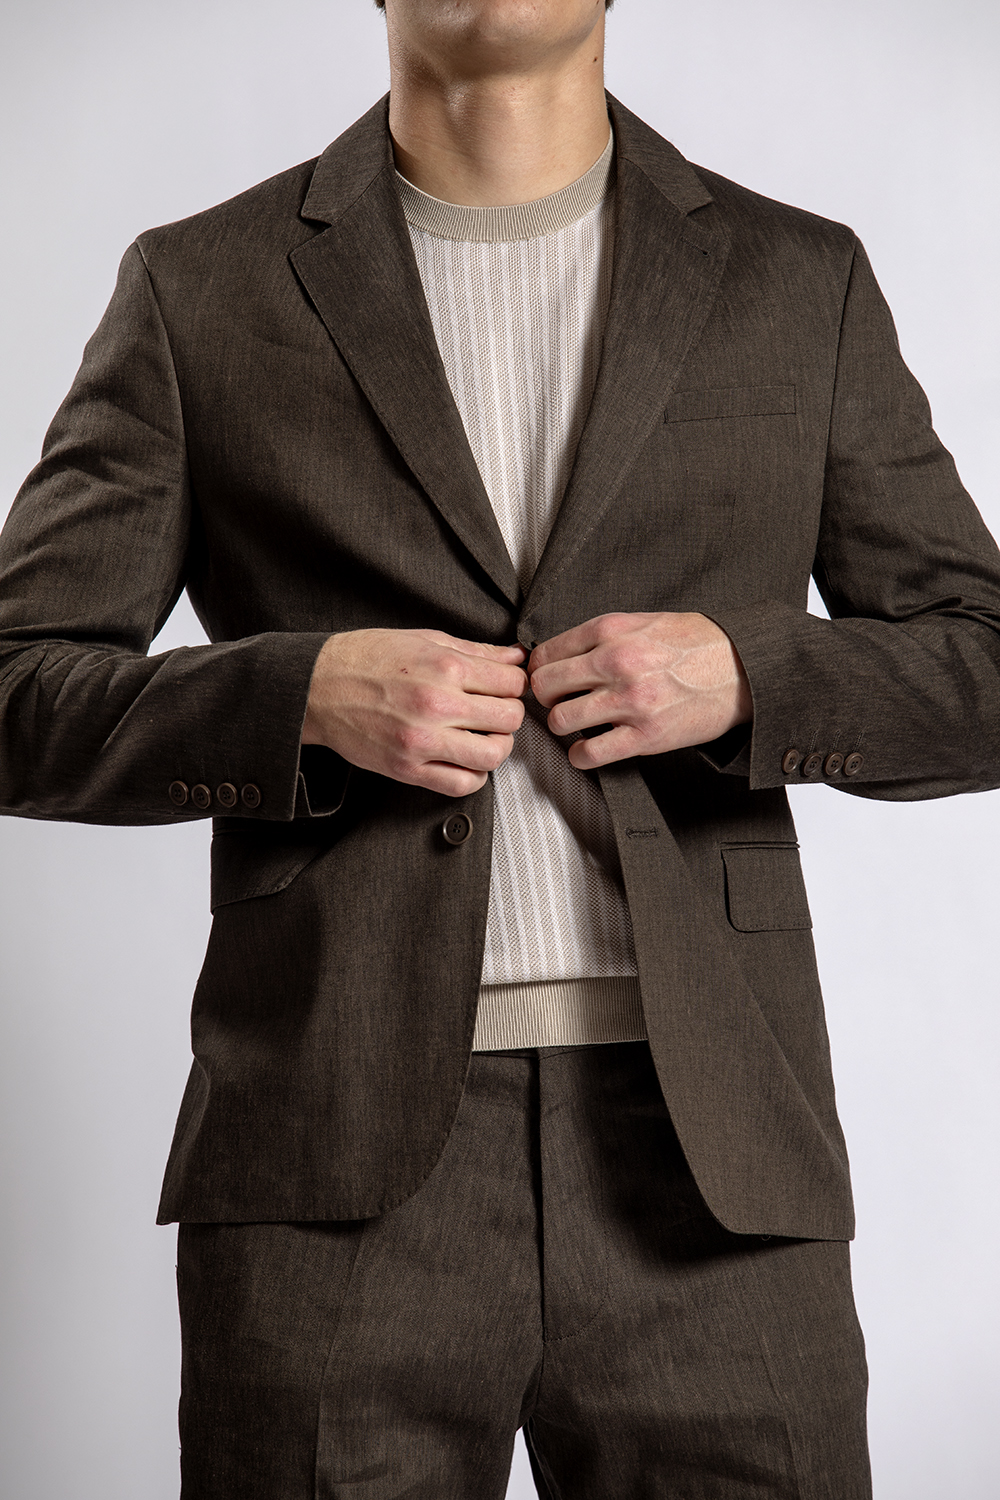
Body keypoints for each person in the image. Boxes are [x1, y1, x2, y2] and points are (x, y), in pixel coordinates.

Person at [1, 0, 999, 1494]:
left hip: (718, 1161)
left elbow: (979, 664)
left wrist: (749, 673)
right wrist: (298, 695)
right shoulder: (199, 284)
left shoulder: (799, 278)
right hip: (329, 1157)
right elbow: (17, 691)